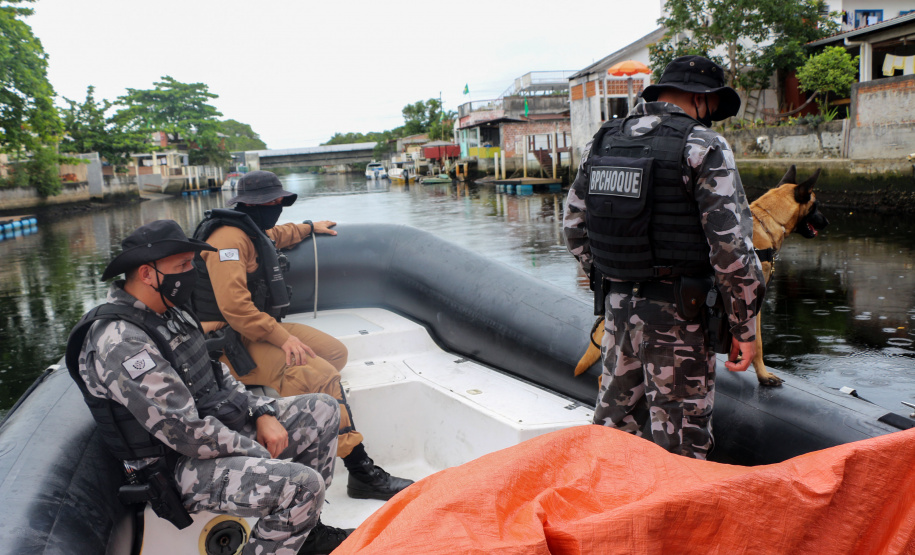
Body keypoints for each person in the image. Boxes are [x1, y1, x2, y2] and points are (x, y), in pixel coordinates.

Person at [66, 219, 351, 554]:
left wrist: (260, 412)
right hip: (175, 466)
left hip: (216, 430)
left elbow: (214, 370)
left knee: (322, 409)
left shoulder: (172, 312)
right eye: (182, 266)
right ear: (147, 274)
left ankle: (306, 533)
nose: (191, 273)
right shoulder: (122, 342)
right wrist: (257, 451)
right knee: (302, 484)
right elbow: (184, 431)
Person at [562, 55, 765, 460]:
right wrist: (745, 327)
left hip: (618, 311)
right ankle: (672, 521)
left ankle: (608, 517)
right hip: (681, 318)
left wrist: (614, 278)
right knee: (680, 444)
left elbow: (573, 228)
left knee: (614, 432)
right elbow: (731, 249)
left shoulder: (603, 141)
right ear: (700, 98)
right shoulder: (703, 145)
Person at [192, 170, 413, 500]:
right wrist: (283, 340)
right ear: (249, 204)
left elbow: (277, 235)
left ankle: (300, 397)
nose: (277, 205)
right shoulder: (227, 240)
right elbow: (235, 308)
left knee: (334, 353)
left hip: (251, 331)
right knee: (319, 373)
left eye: (280, 200)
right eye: (271, 201)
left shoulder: (251, 229)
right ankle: (360, 470)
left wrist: (310, 227)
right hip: (224, 344)